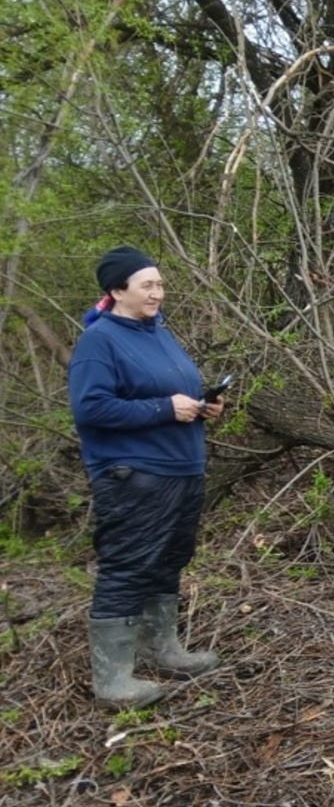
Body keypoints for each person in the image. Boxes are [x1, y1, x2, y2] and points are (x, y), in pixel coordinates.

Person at [68, 246, 224, 709]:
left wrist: (203, 405)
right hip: (134, 474)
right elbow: (90, 408)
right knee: (128, 565)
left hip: (182, 467)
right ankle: (113, 680)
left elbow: (175, 396)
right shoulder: (100, 342)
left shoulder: (158, 333)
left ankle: (162, 649)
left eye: (159, 283)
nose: (158, 292)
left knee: (169, 559)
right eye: (147, 285)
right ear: (117, 291)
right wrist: (164, 408)